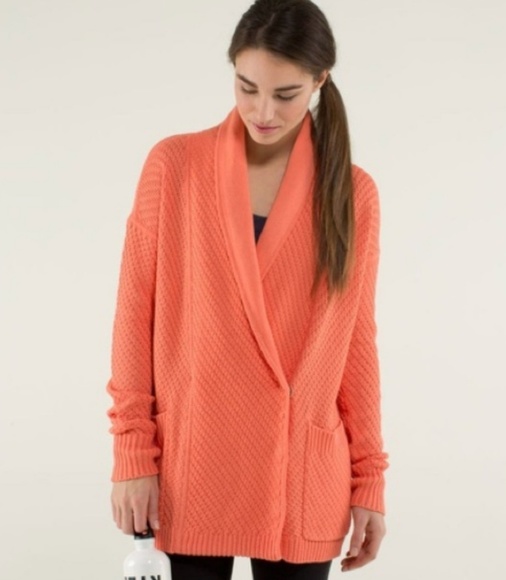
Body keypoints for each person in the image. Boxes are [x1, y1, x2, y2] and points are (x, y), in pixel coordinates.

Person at [106, 1, 390, 578]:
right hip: (192, 458)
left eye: (286, 95)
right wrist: (132, 450)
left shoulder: (351, 192)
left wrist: (370, 479)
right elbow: (135, 316)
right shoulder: (175, 166)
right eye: (246, 87)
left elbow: (356, 343)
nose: (263, 111)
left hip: (299, 469)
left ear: (320, 80)